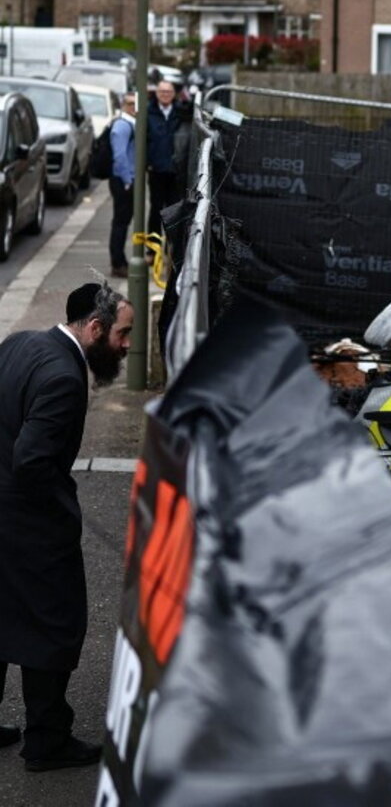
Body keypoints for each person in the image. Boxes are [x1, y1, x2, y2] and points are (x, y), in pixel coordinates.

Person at [0, 282, 134, 772]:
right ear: (95, 328)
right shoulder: (62, 376)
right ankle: (47, 740)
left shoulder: (21, 343)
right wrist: (60, 509)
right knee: (53, 626)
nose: (126, 345)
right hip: (29, 525)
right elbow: (33, 460)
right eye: (123, 334)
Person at [147, 79, 183, 240]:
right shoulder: (148, 112)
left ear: (174, 94)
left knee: (174, 211)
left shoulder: (181, 113)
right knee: (155, 210)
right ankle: (152, 249)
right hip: (156, 170)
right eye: (162, 92)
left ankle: (172, 248)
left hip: (176, 171)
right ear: (156, 94)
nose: (165, 95)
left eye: (168, 92)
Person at [108, 92, 137, 279]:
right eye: (131, 103)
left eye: (137, 103)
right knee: (120, 223)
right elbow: (119, 157)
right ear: (123, 105)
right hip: (122, 180)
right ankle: (118, 263)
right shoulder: (122, 126)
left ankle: (119, 261)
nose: (135, 107)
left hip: (126, 179)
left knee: (123, 222)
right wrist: (127, 180)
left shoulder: (129, 124)